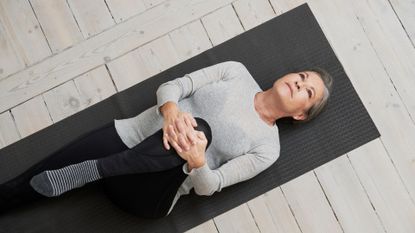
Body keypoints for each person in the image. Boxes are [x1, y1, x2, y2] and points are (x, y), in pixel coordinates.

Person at [0, 60, 333, 218]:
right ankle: (102, 168)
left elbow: (208, 186)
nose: (299, 83)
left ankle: (101, 169)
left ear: (301, 113)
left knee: (199, 130)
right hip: (126, 139)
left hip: (151, 190)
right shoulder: (236, 72)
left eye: (307, 91)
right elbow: (172, 87)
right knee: (31, 181)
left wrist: (197, 159)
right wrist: (172, 114)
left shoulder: (268, 147)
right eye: (302, 76)